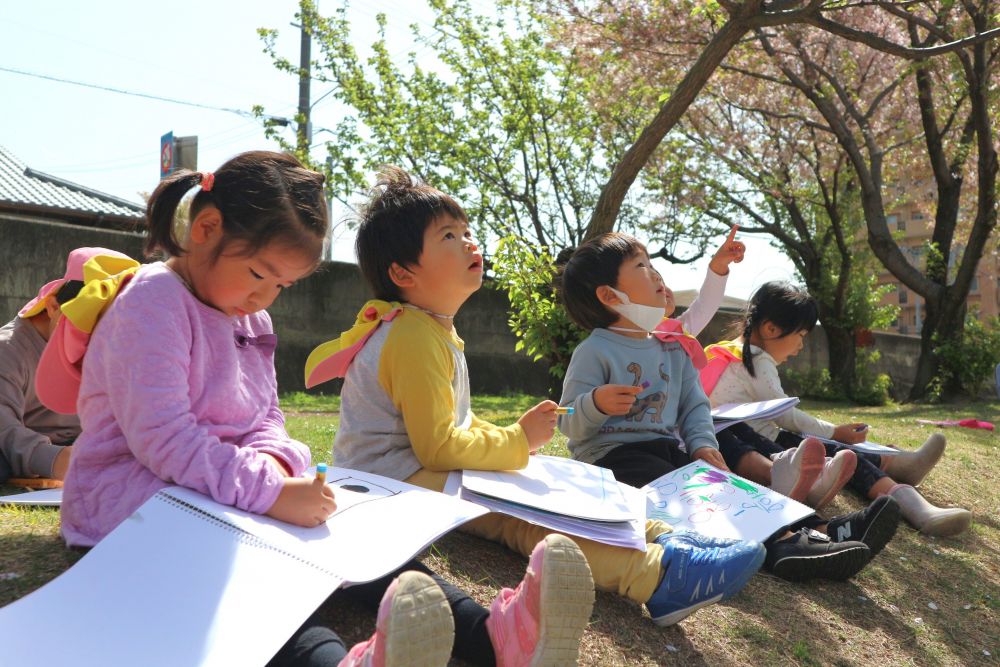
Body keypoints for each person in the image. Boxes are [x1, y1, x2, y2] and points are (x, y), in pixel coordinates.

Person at [56, 152, 583, 667]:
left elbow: (265, 419)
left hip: (222, 489)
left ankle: (494, 636)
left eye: (281, 286)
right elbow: (163, 440)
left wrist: (282, 470)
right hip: (133, 508)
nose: (265, 297)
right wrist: (267, 493)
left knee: (354, 534)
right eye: (259, 274)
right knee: (247, 575)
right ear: (206, 229)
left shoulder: (250, 320)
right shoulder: (153, 302)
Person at [305, 166, 765, 628]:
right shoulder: (411, 336)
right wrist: (517, 440)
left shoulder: (428, 327)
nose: (469, 242)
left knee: (552, 477)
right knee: (520, 516)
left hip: (412, 467)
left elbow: (451, 423)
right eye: (449, 236)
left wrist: (512, 440)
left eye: (466, 231)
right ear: (403, 271)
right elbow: (436, 446)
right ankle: (657, 577)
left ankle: (666, 539)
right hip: (387, 480)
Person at [557, 232, 900, 582]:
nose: (657, 274)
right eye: (642, 266)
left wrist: (704, 444)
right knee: (702, 500)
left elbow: (694, 406)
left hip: (666, 450)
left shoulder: (673, 346)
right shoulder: (594, 351)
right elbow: (566, 418)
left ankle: (825, 528)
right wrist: (595, 403)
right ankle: (783, 548)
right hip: (612, 459)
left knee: (731, 487)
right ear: (609, 295)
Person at [706, 280, 971, 537]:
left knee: (839, 450)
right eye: (800, 335)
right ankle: (917, 507)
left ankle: (902, 468)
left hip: (759, 437)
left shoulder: (728, 353)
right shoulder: (757, 360)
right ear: (771, 329)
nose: (801, 346)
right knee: (839, 449)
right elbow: (785, 415)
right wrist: (834, 431)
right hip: (765, 441)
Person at [0, 247, 129, 485]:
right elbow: (5, 428)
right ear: (53, 307)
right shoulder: (8, 349)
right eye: (84, 328)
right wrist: (56, 459)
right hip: (31, 453)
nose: (93, 345)